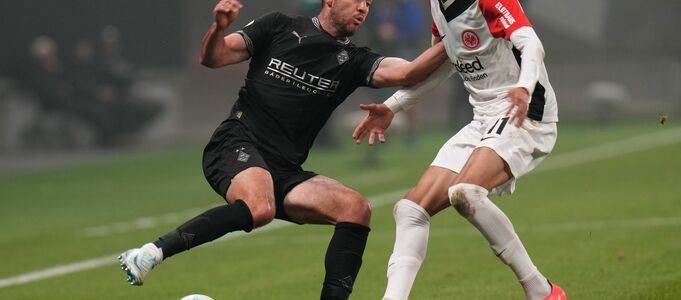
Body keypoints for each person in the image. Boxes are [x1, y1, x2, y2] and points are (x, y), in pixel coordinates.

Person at [117, 0, 446, 299]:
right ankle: (150, 253)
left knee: (356, 209)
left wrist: (458, 35)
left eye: (369, 3)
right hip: (237, 143)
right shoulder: (278, 26)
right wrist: (219, 27)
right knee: (259, 208)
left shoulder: (354, 61)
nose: (363, 8)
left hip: (285, 170)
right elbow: (212, 58)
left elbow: (410, 71)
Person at [352, 0, 566, 299]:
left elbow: (531, 43)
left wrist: (525, 87)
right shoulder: (437, 7)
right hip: (484, 118)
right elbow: (447, 63)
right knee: (411, 210)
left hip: (524, 112)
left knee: (465, 192)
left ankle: (540, 291)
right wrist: (392, 107)